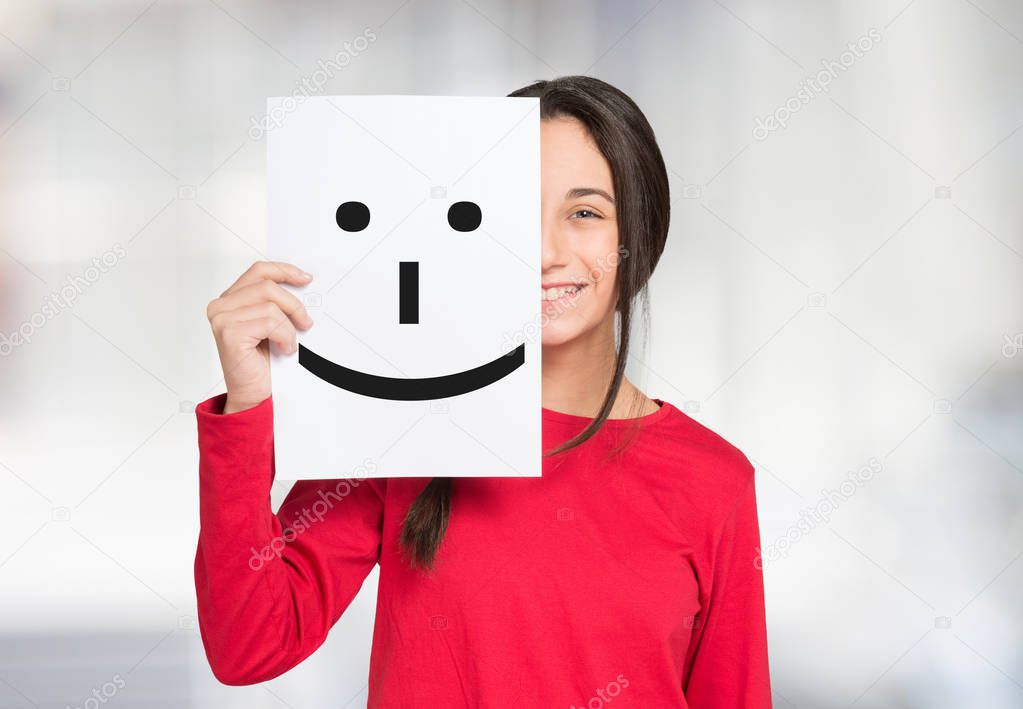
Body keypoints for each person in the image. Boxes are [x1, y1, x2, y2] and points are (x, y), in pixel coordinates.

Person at [194, 75, 772, 707]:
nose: (546, 251)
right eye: (515, 214)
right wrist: (247, 411)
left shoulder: (712, 481)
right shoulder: (406, 422)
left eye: (585, 213)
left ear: (639, 235)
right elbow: (251, 644)